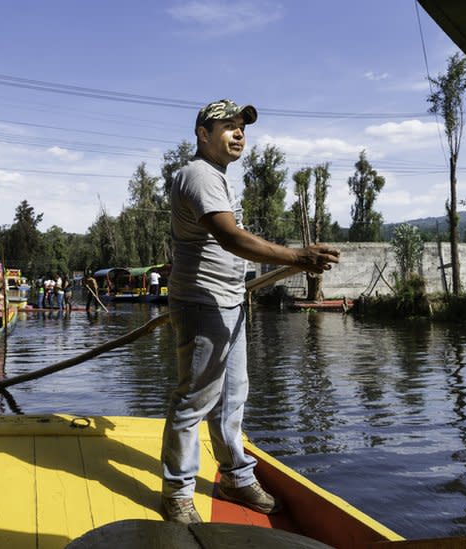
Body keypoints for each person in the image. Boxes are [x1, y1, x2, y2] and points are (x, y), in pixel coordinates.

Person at [160, 99, 340, 524]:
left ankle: (235, 477)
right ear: (203, 134)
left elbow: (234, 240)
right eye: (228, 126)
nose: (239, 133)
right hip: (203, 300)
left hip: (228, 299)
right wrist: (295, 255)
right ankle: (176, 491)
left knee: (232, 397)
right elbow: (232, 238)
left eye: (243, 127)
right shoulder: (199, 175)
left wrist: (291, 260)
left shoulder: (217, 177)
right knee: (196, 398)